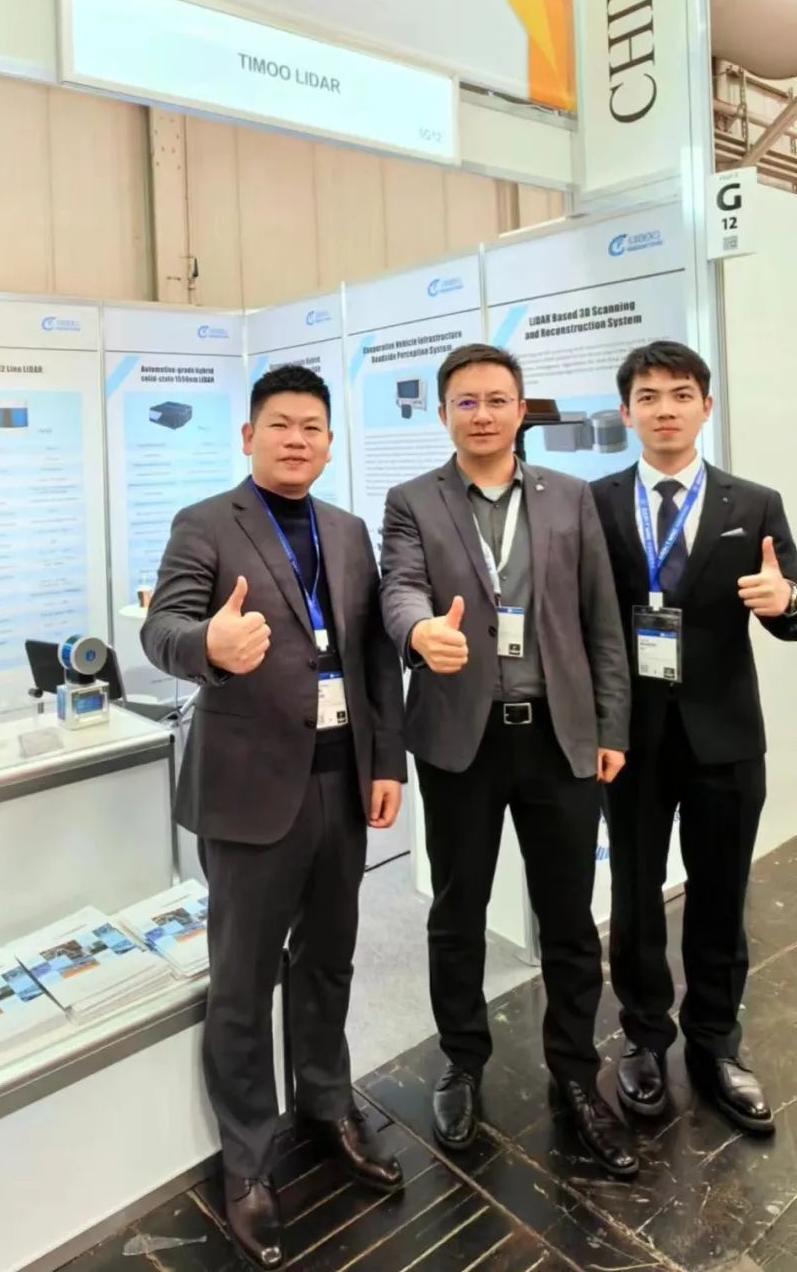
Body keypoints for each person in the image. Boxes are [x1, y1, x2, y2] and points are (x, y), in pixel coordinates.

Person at [141, 364, 407, 1270]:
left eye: (312, 427)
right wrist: (208, 645)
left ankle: (327, 1104)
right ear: (249, 436)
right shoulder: (206, 523)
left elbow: (373, 659)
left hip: (341, 783)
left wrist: (387, 763)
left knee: (329, 957)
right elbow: (163, 629)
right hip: (252, 790)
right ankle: (248, 1156)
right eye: (280, 424)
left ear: (329, 442)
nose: (297, 439)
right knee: (244, 978)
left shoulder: (349, 529)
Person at [380, 343, 638, 1178]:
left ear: (522, 410)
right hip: (462, 740)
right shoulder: (412, 500)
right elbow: (399, 587)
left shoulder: (570, 496)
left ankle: (576, 1073)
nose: (483, 414)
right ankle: (462, 1060)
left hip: (559, 736)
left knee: (569, 917)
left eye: (497, 400)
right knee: (458, 911)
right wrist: (421, 631)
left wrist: (611, 724)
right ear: (443, 413)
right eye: (466, 401)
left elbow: (602, 620)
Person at [591, 341, 797, 1133]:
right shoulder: (596, 503)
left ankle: (715, 1042)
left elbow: (792, 608)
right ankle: (645, 1038)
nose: (666, 408)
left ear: (706, 407)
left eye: (681, 394)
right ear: (627, 412)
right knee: (635, 896)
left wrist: (786, 600)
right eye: (648, 396)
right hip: (630, 738)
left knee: (720, 894)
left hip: (726, 737)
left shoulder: (756, 502)